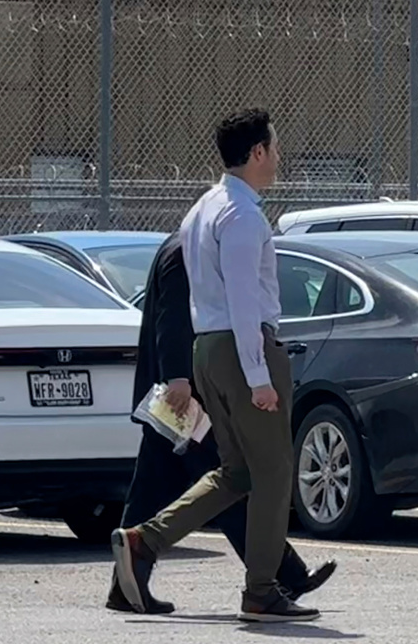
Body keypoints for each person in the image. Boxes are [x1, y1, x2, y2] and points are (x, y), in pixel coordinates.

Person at [112, 108, 321, 623]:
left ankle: (144, 540)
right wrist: (259, 378)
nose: (278, 158)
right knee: (273, 471)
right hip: (242, 349)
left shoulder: (203, 207)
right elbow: (246, 302)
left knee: (237, 472)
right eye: (274, 148)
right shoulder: (244, 216)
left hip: (208, 349)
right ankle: (262, 590)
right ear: (256, 153)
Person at [105, 230, 336, 615]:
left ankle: (124, 585)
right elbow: (174, 317)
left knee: (153, 489)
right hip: (184, 397)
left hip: (179, 393)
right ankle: (283, 574)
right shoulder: (185, 251)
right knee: (234, 480)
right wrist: (179, 379)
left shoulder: (185, 245)